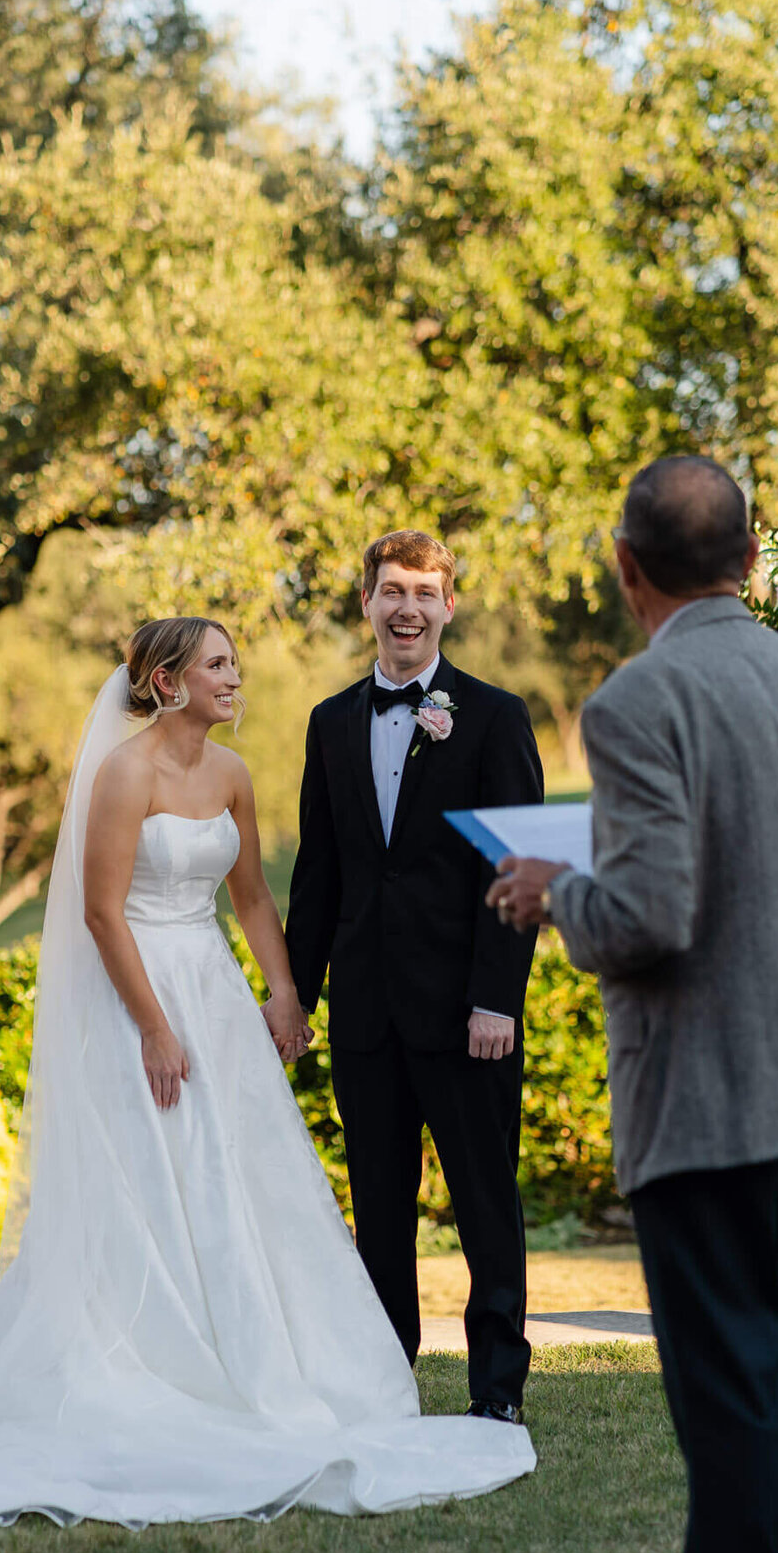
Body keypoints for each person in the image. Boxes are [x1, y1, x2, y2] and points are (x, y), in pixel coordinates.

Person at [0, 617, 536, 1524]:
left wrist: (286, 993)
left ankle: (266, 1361)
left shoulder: (233, 774)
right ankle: (155, 1362)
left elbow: (253, 896)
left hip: (212, 992)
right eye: (217, 665)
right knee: (153, 1177)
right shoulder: (124, 774)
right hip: (141, 993)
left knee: (237, 1178)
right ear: (168, 682)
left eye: (233, 663)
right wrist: (154, 1030)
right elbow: (102, 914)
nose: (235, 677)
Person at [490, 457, 778, 1553]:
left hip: (713, 1102)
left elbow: (648, 917)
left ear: (626, 566)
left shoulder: (640, 701)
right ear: (753, 561)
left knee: (733, 1392)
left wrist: (553, 894)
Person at [286, 531, 543, 1419]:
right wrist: (297, 996)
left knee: (485, 1205)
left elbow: (516, 868)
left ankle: (498, 1390)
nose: (407, 609)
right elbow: (319, 875)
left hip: (468, 1015)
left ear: (448, 607)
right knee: (381, 1212)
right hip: (366, 1014)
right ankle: (386, 1382)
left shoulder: (496, 717)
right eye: (392, 591)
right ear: (366, 602)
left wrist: (495, 1000)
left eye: (425, 594)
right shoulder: (329, 723)